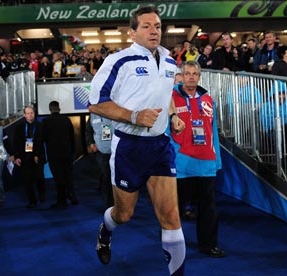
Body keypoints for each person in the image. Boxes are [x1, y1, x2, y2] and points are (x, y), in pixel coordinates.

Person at [88, 6, 186, 275]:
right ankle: (106, 228)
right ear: (132, 32)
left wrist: (174, 115)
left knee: (171, 217)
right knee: (124, 215)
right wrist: (133, 115)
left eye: (157, 26)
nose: (154, 30)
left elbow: (165, 94)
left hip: (160, 145)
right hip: (128, 147)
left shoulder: (168, 60)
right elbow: (95, 104)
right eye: (146, 26)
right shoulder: (118, 61)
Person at [169, 61, 225, 258]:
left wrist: (216, 159)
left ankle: (208, 245)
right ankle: (172, 245)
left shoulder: (208, 99)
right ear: (182, 76)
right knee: (176, 209)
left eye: (194, 73)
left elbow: (212, 132)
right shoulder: (171, 99)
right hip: (181, 164)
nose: (191, 77)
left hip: (206, 163)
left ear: (199, 76)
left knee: (208, 209)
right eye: (187, 73)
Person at [42, 101, 78, 209]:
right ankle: (72, 196)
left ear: (50, 109)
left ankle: (61, 201)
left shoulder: (46, 121)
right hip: (67, 154)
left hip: (54, 155)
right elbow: (72, 137)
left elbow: (42, 138)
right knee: (68, 176)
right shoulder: (66, 120)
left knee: (58, 179)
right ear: (59, 109)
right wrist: (73, 152)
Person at [12, 106, 46, 209]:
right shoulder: (19, 128)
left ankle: (41, 192)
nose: (30, 115)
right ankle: (32, 201)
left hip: (38, 156)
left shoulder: (40, 126)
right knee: (27, 180)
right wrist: (17, 156)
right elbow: (16, 143)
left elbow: (41, 142)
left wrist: (36, 154)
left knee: (39, 177)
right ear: (24, 115)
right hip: (25, 157)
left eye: (32, 112)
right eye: (28, 113)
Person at [85, 113, 115, 208]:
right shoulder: (92, 116)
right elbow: (88, 131)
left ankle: (118, 203)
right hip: (100, 152)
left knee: (114, 178)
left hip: (116, 151)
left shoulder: (115, 112)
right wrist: (91, 144)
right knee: (106, 177)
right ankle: (109, 205)